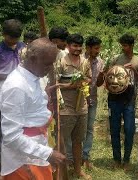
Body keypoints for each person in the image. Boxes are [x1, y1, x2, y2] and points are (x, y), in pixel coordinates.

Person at [0, 38, 66, 179]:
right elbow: (11, 136)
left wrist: (44, 97)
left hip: (35, 153)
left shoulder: (33, 77)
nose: (50, 69)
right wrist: (47, 153)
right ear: (33, 59)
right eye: (47, 64)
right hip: (23, 161)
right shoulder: (16, 86)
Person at [105, 34, 138, 170]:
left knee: (129, 130)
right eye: (122, 45)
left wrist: (133, 70)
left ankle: (126, 160)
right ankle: (116, 159)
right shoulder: (116, 59)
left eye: (125, 45)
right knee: (114, 130)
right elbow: (108, 76)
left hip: (129, 99)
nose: (123, 48)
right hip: (114, 99)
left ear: (132, 46)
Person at [57, 34, 91, 179]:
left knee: (78, 141)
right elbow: (56, 84)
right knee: (62, 143)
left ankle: (78, 170)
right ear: (68, 46)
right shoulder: (61, 62)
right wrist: (71, 86)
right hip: (66, 109)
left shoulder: (85, 62)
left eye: (79, 46)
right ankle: (60, 172)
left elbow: (89, 78)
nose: (77, 49)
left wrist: (84, 83)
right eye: (74, 46)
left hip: (81, 108)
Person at [0, 19, 24, 179]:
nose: (14, 41)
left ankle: (18, 166)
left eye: (16, 37)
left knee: (19, 132)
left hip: (20, 98)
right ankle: (0, 170)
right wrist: (10, 76)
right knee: (3, 133)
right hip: (0, 98)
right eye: (11, 37)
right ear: (3, 34)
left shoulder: (23, 48)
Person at [82, 36, 104, 169]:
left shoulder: (100, 62)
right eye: (96, 48)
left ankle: (85, 157)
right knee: (78, 129)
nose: (98, 51)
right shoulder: (80, 60)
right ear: (88, 48)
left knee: (89, 129)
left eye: (99, 48)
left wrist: (102, 76)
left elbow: (99, 83)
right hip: (79, 100)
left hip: (92, 99)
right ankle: (75, 157)